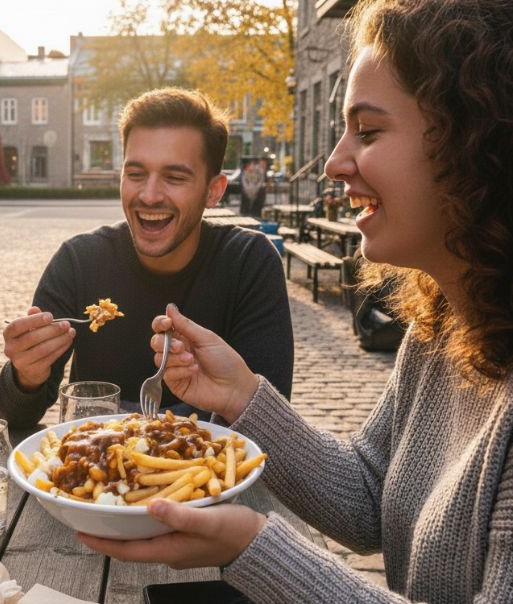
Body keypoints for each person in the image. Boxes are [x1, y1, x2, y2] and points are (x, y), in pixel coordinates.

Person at [79, 1, 513, 601]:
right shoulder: (440, 326)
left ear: (474, 139)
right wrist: (242, 397)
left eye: (368, 130)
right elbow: (368, 502)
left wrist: (254, 547)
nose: (335, 161)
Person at [0, 88, 293, 427]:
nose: (148, 195)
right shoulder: (79, 261)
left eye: (174, 178)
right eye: (135, 174)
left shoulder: (248, 263)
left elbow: (273, 426)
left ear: (214, 191)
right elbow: (11, 415)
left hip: (211, 477)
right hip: (96, 470)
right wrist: (24, 376)